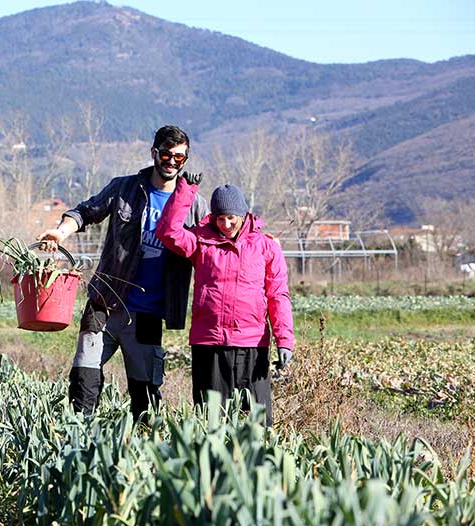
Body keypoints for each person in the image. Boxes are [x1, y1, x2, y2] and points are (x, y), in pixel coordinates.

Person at [38, 125, 208, 422]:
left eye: (178, 158)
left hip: (149, 314)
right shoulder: (125, 189)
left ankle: (141, 458)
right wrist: (61, 232)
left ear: (186, 160)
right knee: (83, 380)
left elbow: (215, 245)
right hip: (105, 303)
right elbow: (85, 212)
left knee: (145, 397)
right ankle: (80, 445)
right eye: (165, 154)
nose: (170, 162)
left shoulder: (194, 205)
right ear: (154, 153)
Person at [155, 181, 294, 425]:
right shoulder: (200, 242)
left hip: (252, 344)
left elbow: (278, 295)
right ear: (213, 218)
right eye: (220, 219)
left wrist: (285, 340)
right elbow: (168, 232)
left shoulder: (266, 247)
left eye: (231, 218)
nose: (226, 225)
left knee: (258, 423)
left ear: (243, 215)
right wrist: (185, 191)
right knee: (211, 421)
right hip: (209, 343)